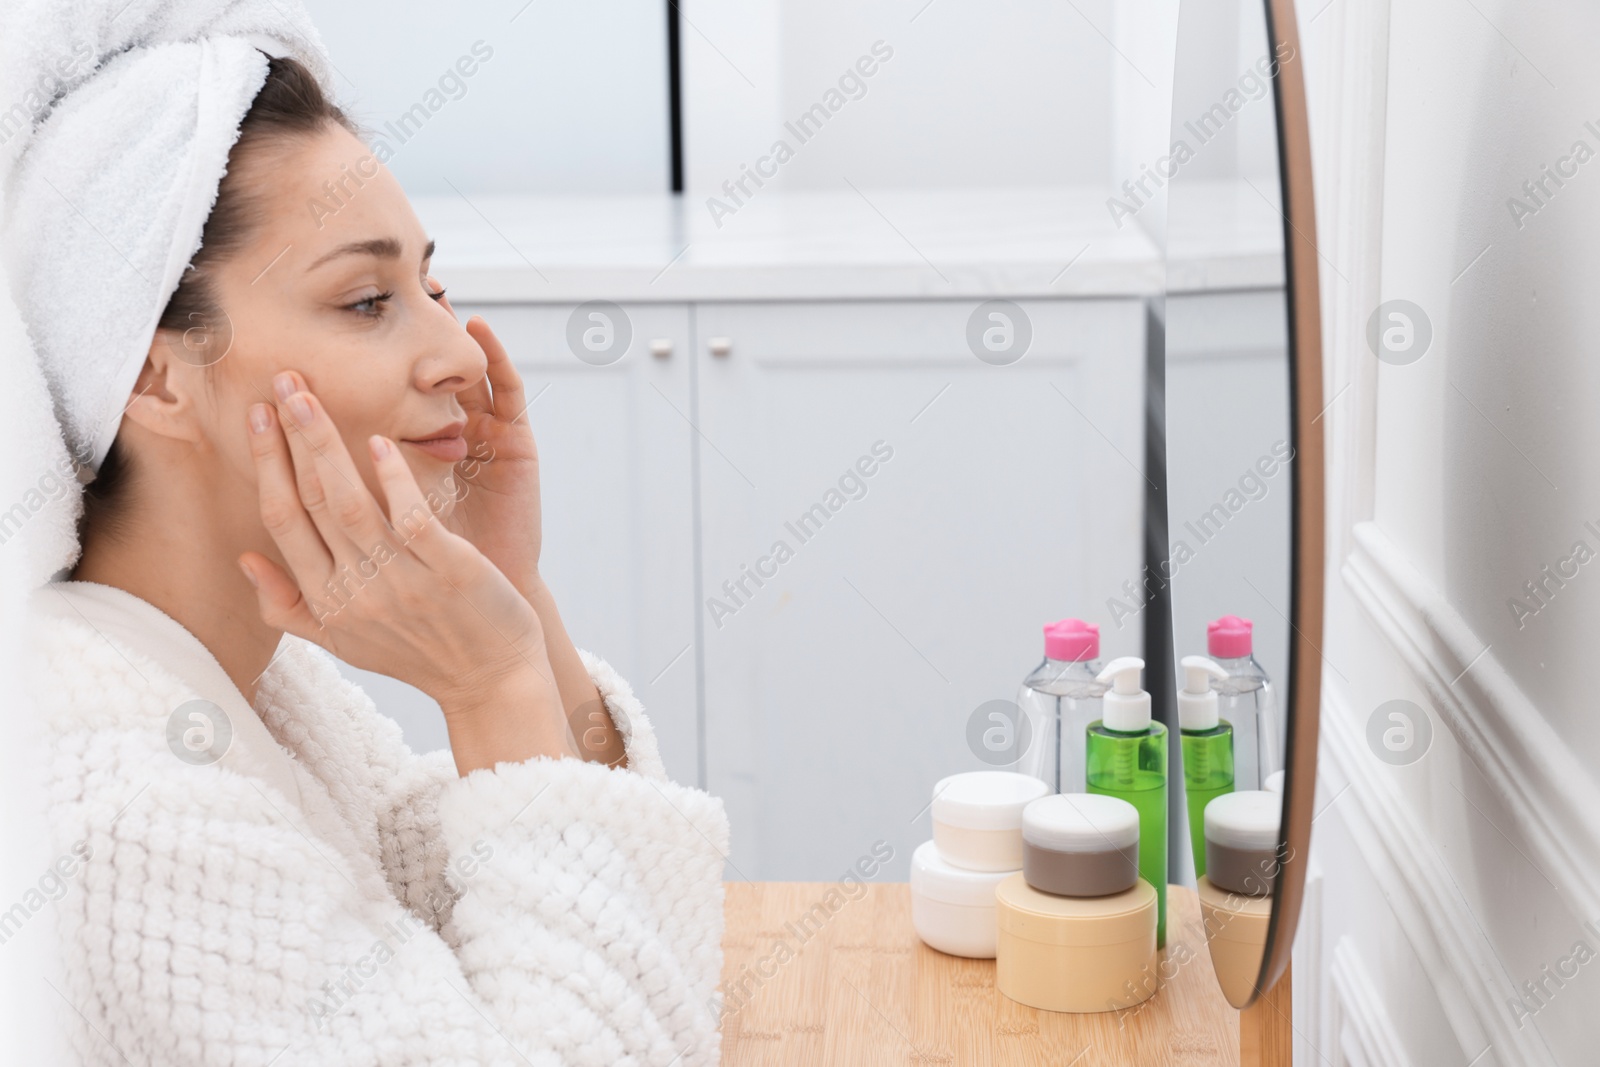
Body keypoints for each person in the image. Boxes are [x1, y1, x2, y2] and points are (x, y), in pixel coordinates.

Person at [12, 33, 729, 1067]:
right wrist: (489, 683)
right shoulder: (122, 806)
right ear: (155, 378)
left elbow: (580, 926)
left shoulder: (246, 678)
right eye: (366, 302)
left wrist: (513, 598)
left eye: (431, 290)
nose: (453, 351)